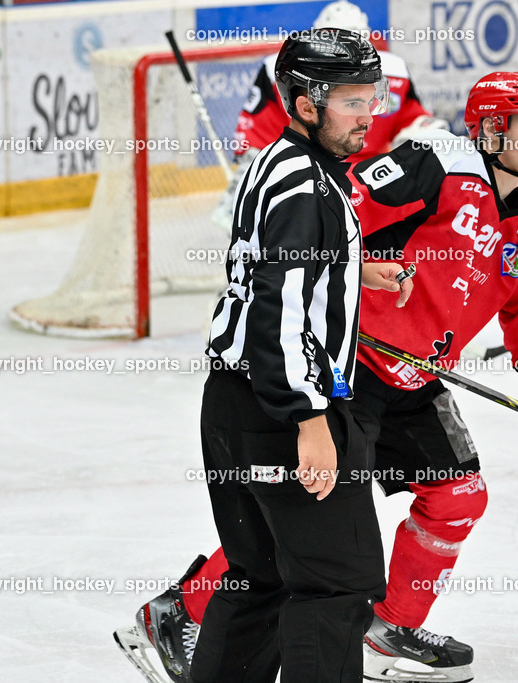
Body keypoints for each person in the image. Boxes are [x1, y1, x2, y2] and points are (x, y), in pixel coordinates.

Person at [116, 72, 518, 683]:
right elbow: (334, 215)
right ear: (492, 128)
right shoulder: (436, 163)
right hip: (350, 367)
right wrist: (361, 273)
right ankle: (182, 610)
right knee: (308, 527)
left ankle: (387, 630)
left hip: (417, 382)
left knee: (458, 497)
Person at [115, 28, 413, 683]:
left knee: (262, 578)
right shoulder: (307, 186)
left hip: (234, 404)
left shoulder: (278, 163)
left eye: (373, 96)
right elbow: (278, 314)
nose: (371, 113)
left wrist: (351, 270)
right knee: (335, 587)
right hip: (281, 410)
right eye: (354, 101)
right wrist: (309, 420)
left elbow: (263, 271)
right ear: (307, 105)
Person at [212, 0, 447, 229]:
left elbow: (415, 123)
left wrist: (428, 144)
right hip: (307, 172)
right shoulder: (280, 71)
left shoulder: (394, 70)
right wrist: (255, 178)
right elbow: (256, 135)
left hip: (370, 181)